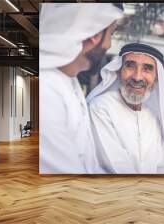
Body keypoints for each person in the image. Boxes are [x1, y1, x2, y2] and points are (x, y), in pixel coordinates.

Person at [39, 3, 123, 174]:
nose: (109, 44)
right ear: (95, 35)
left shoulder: (70, 81)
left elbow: (87, 162)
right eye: (111, 34)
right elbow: (65, 176)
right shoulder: (46, 90)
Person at [87, 43, 164, 174]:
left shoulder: (152, 118)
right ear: (118, 71)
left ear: (156, 78)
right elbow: (115, 166)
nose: (137, 77)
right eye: (130, 66)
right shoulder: (101, 107)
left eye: (147, 69)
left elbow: (163, 166)